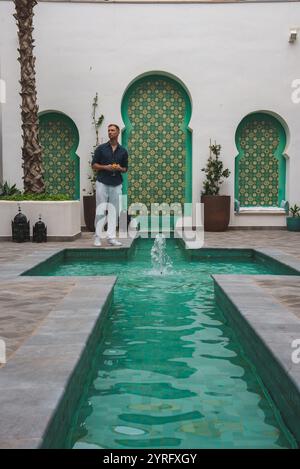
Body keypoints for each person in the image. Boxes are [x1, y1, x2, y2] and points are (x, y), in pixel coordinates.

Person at [92, 124, 128, 246]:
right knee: (101, 209)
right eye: (109, 130)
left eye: (112, 130)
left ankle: (111, 237)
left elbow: (125, 169)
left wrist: (119, 168)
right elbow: (94, 165)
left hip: (116, 183)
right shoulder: (101, 149)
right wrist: (105, 167)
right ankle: (97, 236)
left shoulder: (123, 151)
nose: (110, 132)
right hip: (102, 182)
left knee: (114, 211)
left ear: (118, 133)